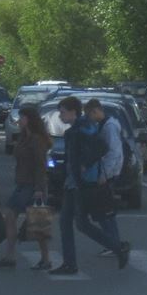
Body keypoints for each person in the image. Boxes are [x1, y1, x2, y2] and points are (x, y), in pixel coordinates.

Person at [52, 97, 129, 275]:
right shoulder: (82, 127)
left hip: (80, 183)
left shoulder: (80, 129)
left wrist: (84, 165)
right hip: (77, 182)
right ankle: (116, 248)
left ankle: (72, 263)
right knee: (79, 223)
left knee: (72, 223)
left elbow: (101, 147)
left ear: (73, 112)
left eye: (63, 112)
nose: (60, 115)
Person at [0, 107, 52, 269]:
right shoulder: (23, 138)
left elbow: (41, 165)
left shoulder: (36, 140)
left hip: (33, 186)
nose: (19, 121)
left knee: (37, 222)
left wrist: (39, 188)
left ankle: (45, 259)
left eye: (22, 118)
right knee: (12, 216)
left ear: (29, 120)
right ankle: (10, 255)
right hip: (22, 184)